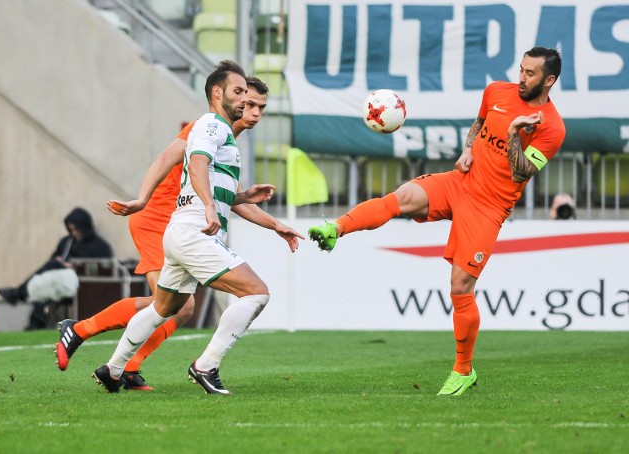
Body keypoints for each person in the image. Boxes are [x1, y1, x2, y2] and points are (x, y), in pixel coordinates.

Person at [308, 47, 566, 396]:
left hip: (490, 207)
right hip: (460, 182)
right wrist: (467, 150)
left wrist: (513, 135)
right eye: (521, 69)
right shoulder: (497, 91)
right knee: (403, 197)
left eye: (531, 74)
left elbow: (522, 173)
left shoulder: (551, 127)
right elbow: (478, 124)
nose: (522, 78)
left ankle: (463, 371)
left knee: (460, 287)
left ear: (549, 80)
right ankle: (336, 228)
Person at [55, 75, 299, 391]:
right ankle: (86, 335)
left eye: (259, 107)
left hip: (184, 221)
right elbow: (167, 160)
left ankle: (117, 368)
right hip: (162, 216)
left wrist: (273, 223)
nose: (252, 110)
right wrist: (143, 200)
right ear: (222, 94)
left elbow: (227, 195)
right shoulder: (207, 126)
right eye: (246, 100)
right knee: (186, 303)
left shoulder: (225, 139)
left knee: (173, 306)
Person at [0, 207, 113, 329]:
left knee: (52, 267)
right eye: (71, 229)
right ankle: (34, 322)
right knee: (46, 281)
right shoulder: (67, 242)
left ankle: (19, 293)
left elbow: (101, 271)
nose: (74, 233)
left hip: (80, 286)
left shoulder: (99, 246)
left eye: (76, 229)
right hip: (56, 282)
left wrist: (73, 267)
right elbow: (54, 258)